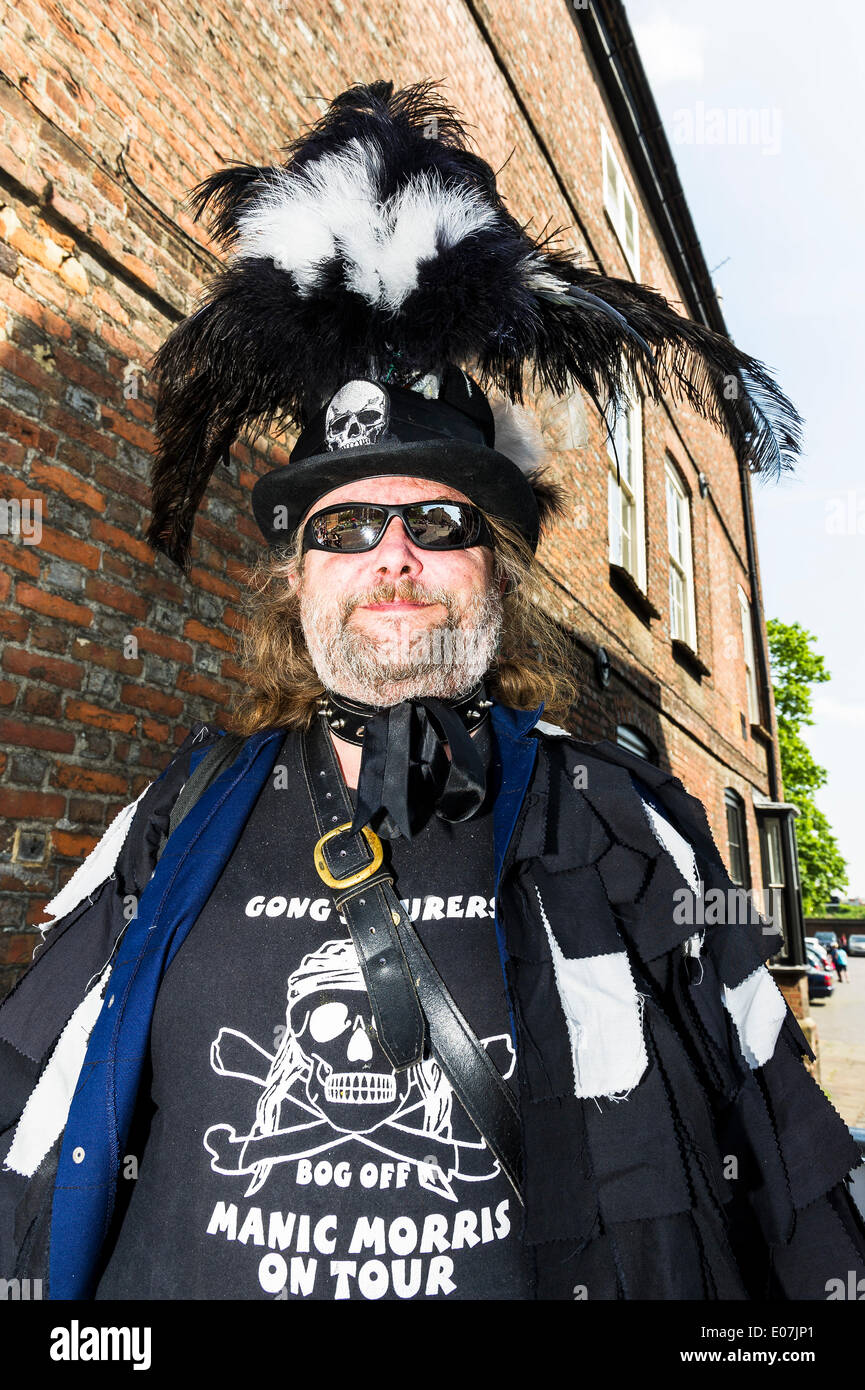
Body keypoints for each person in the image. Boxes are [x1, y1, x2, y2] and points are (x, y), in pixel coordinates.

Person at [1, 79, 863, 1302]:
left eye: (436, 518)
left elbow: (789, 1172)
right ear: (296, 583)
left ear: (495, 570)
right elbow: (21, 1113)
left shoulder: (629, 822)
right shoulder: (170, 817)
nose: (391, 556)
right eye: (346, 529)